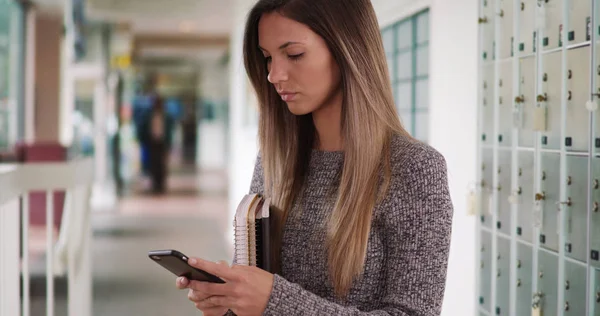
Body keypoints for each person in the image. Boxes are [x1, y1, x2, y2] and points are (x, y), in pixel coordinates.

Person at [176, 0, 454, 315]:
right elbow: (258, 293)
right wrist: (228, 304)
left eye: (294, 54)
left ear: (347, 48)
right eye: (267, 58)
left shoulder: (414, 168)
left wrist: (274, 301)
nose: (274, 75)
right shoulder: (273, 160)